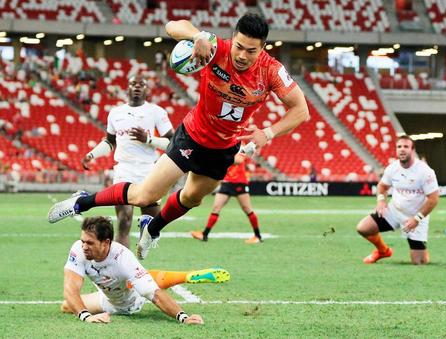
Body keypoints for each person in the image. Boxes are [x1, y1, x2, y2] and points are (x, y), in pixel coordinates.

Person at [48, 13, 310, 261]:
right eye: (239, 46)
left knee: (192, 198)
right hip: (192, 137)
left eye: (251, 50)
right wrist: (197, 36)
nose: (242, 55)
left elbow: (301, 110)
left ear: (263, 48)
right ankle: (80, 202)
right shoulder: (216, 47)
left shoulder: (272, 71)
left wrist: (268, 132)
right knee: (144, 196)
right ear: (233, 38)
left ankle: (153, 228)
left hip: (223, 149)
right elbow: (173, 25)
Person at [62, 216, 230, 324]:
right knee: (66, 305)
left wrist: (183, 317)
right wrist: (86, 316)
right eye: (82, 241)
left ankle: (185, 276)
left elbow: (154, 294)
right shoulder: (78, 250)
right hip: (107, 298)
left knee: (144, 284)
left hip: (132, 302)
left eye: (89, 243)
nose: (83, 246)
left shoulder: (123, 258)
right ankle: (177, 276)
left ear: (106, 242)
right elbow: (70, 288)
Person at [81, 74, 174, 248]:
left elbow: (172, 141)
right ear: (127, 88)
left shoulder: (156, 111)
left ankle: (144, 243)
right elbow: (110, 141)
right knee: (123, 220)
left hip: (149, 170)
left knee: (152, 227)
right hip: (124, 170)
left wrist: (149, 139)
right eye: (133, 83)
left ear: (147, 90)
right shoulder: (116, 113)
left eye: (141, 84)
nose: (137, 87)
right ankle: (123, 265)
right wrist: (92, 154)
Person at [356, 135, 439, 265]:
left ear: (412, 150)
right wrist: (381, 201)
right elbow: (382, 186)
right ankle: (383, 251)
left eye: (406, 146)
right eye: (399, 147)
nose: (402, 149)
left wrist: (417, 219)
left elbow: (433, 199)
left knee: (420, 262)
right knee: (363, 228)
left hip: (416, 217)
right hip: (394, 211)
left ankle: (419, 250)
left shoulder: (425, 171)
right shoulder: (392, 168)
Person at [191, 152, 262, 243]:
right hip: (227, 182)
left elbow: (242, 159)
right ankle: (204, 234)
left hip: (239, 182)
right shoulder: (227, 146)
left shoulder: (239, 145)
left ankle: (257, 236)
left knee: (247, 209)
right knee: (216, 208)